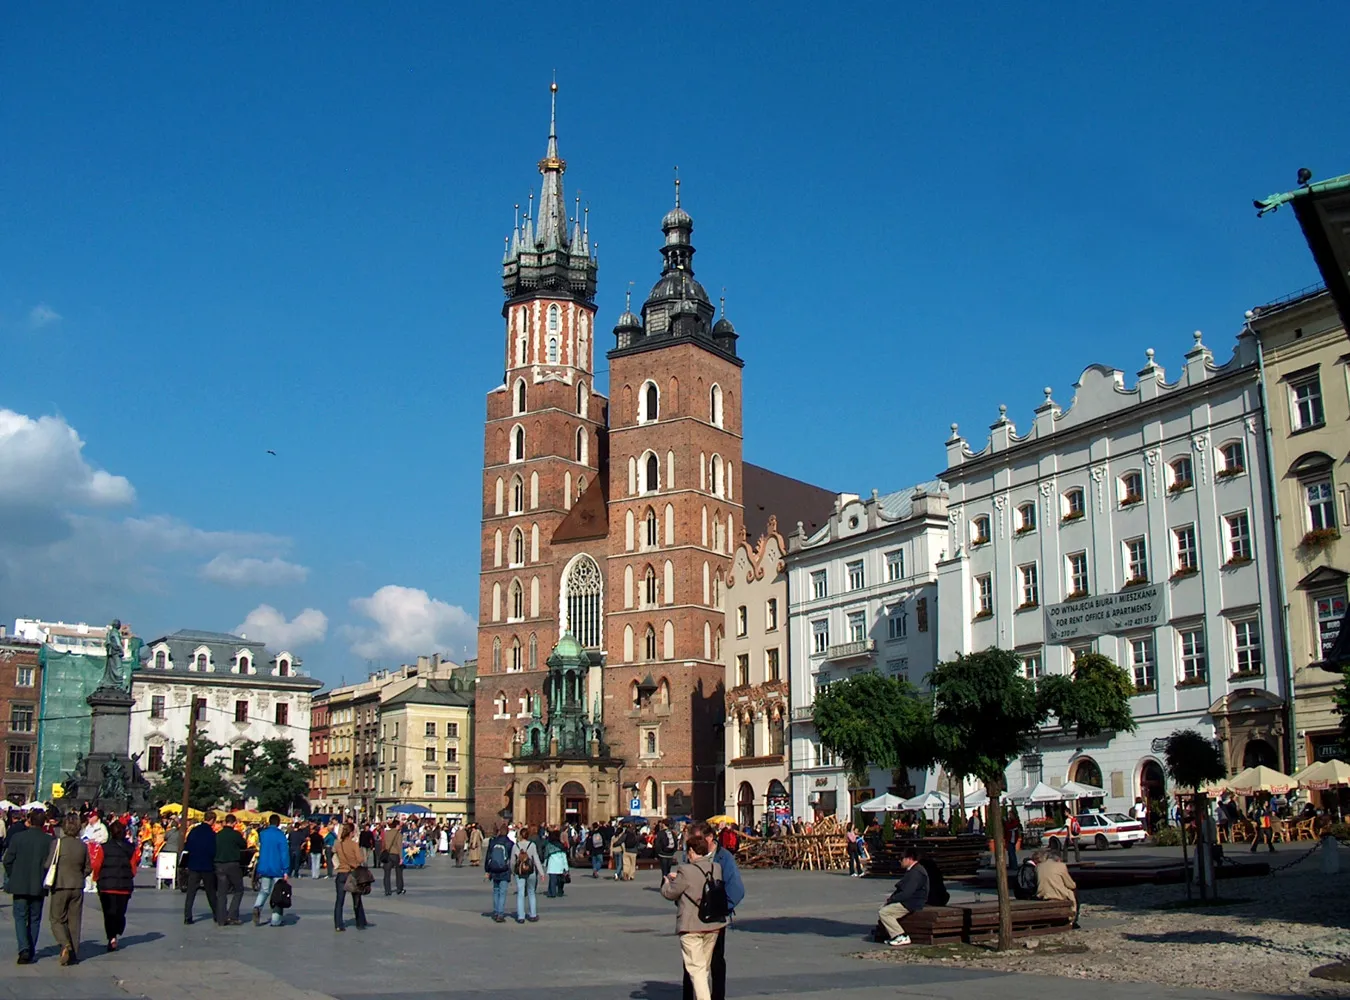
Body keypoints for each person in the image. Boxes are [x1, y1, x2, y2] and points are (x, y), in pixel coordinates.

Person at [660, 824, 726, 1000]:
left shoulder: (686, 870)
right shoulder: (716, 867)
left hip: (691, 926)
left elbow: (671, 893)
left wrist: (666, 883)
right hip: (713, 924)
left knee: (696, 970)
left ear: (691, 851)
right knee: (703, 968)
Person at [681, 820, 745, 1000]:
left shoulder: (723, 858)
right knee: (691, 964)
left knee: (716, 961)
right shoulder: (691, 854)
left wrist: (721, 907)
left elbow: (737, 889)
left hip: (715, 919)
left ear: (709, 838)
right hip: (693, 919)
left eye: (698, 839)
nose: (693, 844)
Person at [3, 807, 54, 964]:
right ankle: (30, 949)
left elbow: (7, 860)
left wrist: (13, 875)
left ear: (29, 821)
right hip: (38, 884)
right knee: (35, 918)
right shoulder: (49, 840)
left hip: (19, 884)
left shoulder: (18, 838)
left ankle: (23, 948)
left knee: (20, 917)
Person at [45, 814, 92, 965]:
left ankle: (65, 943)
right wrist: (80, 876)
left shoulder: (57, 843)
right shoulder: (82, 846)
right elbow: (88, 867)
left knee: (56, 918)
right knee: (74, 920)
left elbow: (48, 864)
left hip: (60, 884)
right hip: (77, 885)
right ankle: (74, 953)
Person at [93, 818, 139, 951]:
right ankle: (118, 926)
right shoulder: (130, 848)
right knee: (120, 911)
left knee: (108, 913)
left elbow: (97, 865)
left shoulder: (104, 848)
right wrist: (128, 877)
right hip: (124, 887)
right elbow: (133, 868)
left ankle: (111, 937)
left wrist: (96, 878)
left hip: (106, 886)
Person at [877, 847, 928, 947]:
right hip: (911, 900)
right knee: (884, 909)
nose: (900, 861)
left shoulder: (916, 872)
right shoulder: (914, 870)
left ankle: (900, 935)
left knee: (884, 912)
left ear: (909, 859)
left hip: (912, 903)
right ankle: (894, 935)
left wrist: (891, 900)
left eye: (901, 858)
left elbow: (906, 893)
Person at [252, 814, 290, 927]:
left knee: (264, 890)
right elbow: (284, 853)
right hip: (277, 867)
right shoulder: (280, 835)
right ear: (278, 823)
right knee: (277, 893)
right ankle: (276, 920)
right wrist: (286, 870)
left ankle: (257, 906)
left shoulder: (263, 834)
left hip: (264, 866)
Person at [182, 811, 219, 925]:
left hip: (193, 865)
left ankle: (187, 916)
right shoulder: (212, 834)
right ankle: (217, 914)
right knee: (211, 892)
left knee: (191, 892)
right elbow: (214, 850)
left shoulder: (193, 831)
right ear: (212, 820)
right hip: (207, 866)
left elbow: (187, 846)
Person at [334, 822, 369, 931]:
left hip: (341, 873)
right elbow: (360, 859)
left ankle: (338, 924)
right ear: (352, 833)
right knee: (356, 899)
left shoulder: (338, 844)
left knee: (339, 901)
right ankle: (360, 922)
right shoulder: (354, 844)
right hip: (352, 874)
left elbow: (333, 852)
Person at [1034, 846, 1079, 928]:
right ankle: (1073, 920)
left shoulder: (1039, 866)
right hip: (1058, 895)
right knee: (1074, 892)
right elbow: (1071, 885)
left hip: (1042, 895)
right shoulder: (1061, 866)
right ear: (1058, 859)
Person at [214, 813, 247, 926]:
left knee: (221, 892)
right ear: (234, 823)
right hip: (232, 864)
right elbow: (244, 845)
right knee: (239, 889)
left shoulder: (218, 835)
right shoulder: (235, 834)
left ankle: (221, 918)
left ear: (225, 822)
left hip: (219, 865)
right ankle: (232, 916)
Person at [510, 824, 542, 923]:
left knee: (520, 893)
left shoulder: (516, 846)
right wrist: (541, 872)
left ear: (520, 835)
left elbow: (512, 861)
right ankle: (533, 914)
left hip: (519, 871)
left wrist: (512, 871)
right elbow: (536, 859)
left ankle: (521, 916)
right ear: (528, 835)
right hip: (531, 871)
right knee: (531, 892)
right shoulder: (532, 845)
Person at [483, 821, 514, 922]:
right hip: (504, 870)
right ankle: (500, 914)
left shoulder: (493, 842)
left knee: (496, 891)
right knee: (503, 892)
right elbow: (512, 859)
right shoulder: (510, 843)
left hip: (494, 869)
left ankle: (496, 911)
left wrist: (487, 870)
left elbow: (488, 856)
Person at [381, 820, 406, 895]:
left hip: (387, 854)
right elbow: (399, 847)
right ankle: (399, 888)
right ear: (397, 826)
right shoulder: (398, 834)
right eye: (399, 825)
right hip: (395, 854)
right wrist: (401, 858)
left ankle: (387, 890)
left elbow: (384, 843)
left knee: (387, 873)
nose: (400, 827)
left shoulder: (387, 833)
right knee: (398, 871)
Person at [543, 828, 569, 897]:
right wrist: (566, 868)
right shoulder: (561, 845)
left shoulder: (549, 845)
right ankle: (560, 891)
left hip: (552, 865)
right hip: (560, 865)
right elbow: (564, 857)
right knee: (560, 880)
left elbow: (546, 855)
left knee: (552, 880)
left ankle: (552, 893)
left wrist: (545, 863)